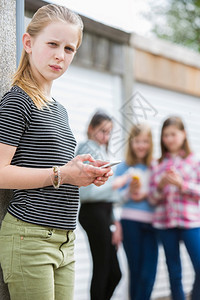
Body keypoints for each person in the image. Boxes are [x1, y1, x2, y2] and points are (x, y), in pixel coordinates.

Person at [0, 4, 113, 300]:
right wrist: (63, 173)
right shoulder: (18, 101)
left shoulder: (59, 110)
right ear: (28, 43)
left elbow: (53, 169)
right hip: (30, 237)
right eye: (52, 44)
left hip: (65, 239)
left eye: (69, 48)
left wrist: (81, 173)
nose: (60, 55)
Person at [149, 116, 200, 300]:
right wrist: (161, 186)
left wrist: (182, 184)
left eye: (173, 134)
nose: (169, 139)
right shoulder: (157, 164)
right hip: (165, 223)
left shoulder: (195, 161)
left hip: (191, 222)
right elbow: (153, 200)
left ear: (184, 134)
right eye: (165, 135)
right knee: (174, 272)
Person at [76, 110, 122, 300]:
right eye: (102, 131)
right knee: (103, 270)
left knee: (115, 273)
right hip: (93, 214)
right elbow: (86, 193)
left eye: (109, 132)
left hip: (104, 214)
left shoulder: (101, 151)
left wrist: (115, 221)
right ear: (90, 129)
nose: (106, 136)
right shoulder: (87, 150)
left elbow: (108, 195)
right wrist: (117, 185)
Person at [114, 123, 158, 300]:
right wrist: (129, 192)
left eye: (145, 141)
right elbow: (114, 198)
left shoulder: (155, 167)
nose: (141, 145)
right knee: (136, 271)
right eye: (137, 141)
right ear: (131, 143)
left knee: (149, 273)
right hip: (130, 223)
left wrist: (147, 193)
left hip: (152, 224)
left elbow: (159, 196)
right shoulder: (123, 167)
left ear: (151, 143)